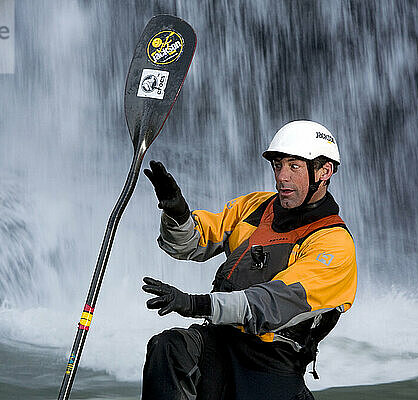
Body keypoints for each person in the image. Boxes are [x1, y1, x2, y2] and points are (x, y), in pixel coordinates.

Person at [140, 120, 357, 400]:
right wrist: (177, 214)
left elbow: (269, 305)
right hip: (221, 342)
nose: (281, 177)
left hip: (272, 363)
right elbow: (190, 245)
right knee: (168, 347)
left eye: (294, 166)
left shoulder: (334, 243)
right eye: (278, 165)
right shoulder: (255, 207)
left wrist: (195, 303)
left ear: (324, 171)